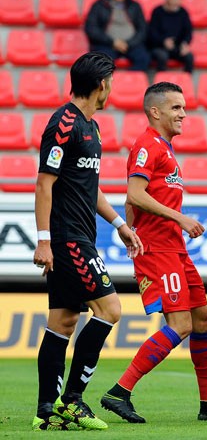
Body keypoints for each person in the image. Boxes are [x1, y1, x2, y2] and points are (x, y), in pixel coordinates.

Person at [99, 82, 207, 423]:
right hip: (159, 249)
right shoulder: (147, 145)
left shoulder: (165, 148)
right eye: (176, 108)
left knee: (203, 320)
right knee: (182, 323)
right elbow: (135, 193)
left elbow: (133, 201)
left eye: (184, 107)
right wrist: (179, 219)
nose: (183, 114)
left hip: (174, 248)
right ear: (155, 111)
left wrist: (133, 228)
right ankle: (120, 391)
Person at [32, 52, 143, 431]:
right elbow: (44, 183)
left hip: (80, 234)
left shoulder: (90, 127)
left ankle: (46, 409)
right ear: (101, 85)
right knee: (110, 310)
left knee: (62, 321)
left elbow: (89, 188)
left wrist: (117, 224)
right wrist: (44, 240)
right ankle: (73, 401)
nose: (111, 89)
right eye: (110, 81)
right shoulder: (63, 123)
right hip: (68, 239)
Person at [84, 0, 150, 72]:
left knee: (144, 58)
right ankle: (108, 85)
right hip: (106, 44)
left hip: (131, 44)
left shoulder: (134, 6)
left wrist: (128, 44)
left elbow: (142, 29)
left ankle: (128, 82)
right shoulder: (99, 5)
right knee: (101, 63)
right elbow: (91, 29)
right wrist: (113, 42)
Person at [148, 0, 194, 73]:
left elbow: (188, 31)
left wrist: (185, 43)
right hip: (159, 46)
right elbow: (152, 33)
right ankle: (162, 85)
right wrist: (163, 41)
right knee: (162, 56)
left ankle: (187, 82)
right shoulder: (157, 11)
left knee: (189, 57)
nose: (177, 1)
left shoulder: (183, 12)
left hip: (177, 46)